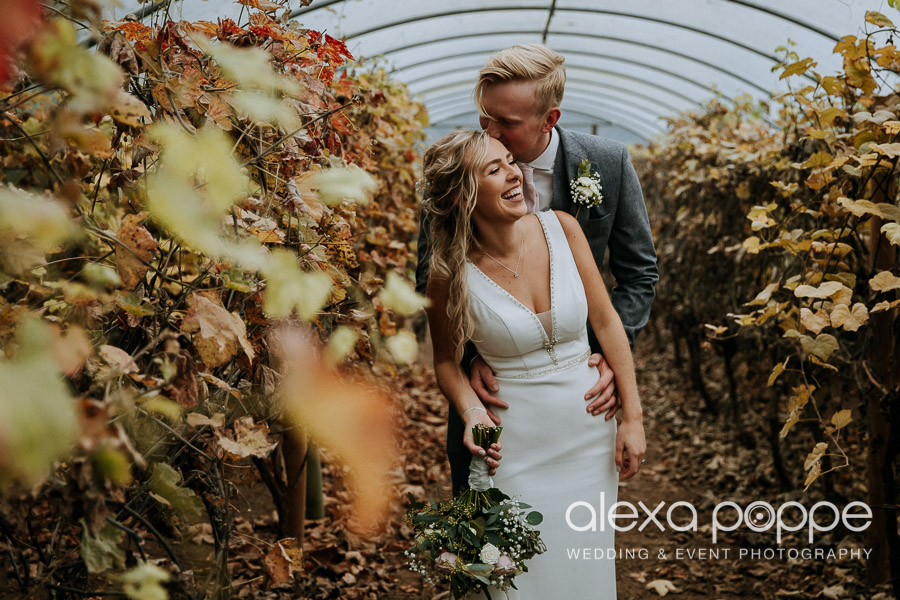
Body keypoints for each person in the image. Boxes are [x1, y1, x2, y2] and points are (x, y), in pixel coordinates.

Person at [415, 43, 658, 495]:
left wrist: (605, 358)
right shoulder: (460, 172)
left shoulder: (607, 163)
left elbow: (638, 274)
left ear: (550, 119)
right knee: (491, 550)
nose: (491, 132)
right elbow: (434, 279)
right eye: (485, 117)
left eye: (506, 124)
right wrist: (477, 355)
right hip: (499, 405)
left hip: (583, 403)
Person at [423, 129, 645, 599]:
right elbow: (445, 362)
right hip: (514, 448)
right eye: (493, 169)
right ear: (465, 196)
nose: (514, 174)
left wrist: (634, 417)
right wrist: (473, 412)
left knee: (587, 574)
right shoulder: (449, 271)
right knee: (522, 582)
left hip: (590, 436)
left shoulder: (562, 227)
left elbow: (606, 322)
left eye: (510, 161)